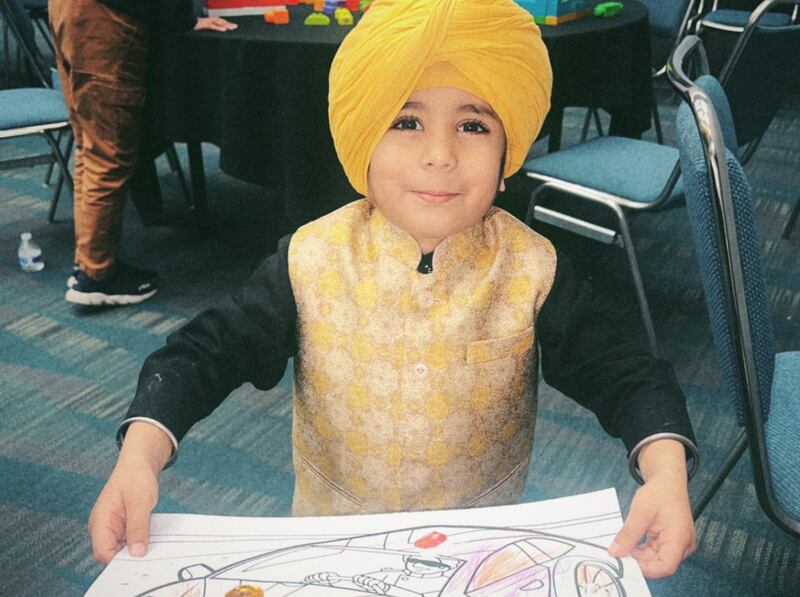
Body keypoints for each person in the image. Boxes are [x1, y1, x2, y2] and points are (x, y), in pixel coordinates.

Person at [88, 0, 699, 580]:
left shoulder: (532, 268)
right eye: (406, 121)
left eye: (473, 124)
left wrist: (665, 472)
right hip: (332, 549)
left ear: (507, 148)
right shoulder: (311, 257)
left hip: (475, 555)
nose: (440, 154)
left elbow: (627, 372)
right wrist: (140, 455)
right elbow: (203, 353)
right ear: (363, 138)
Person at [49, 0, 238, 306]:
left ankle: (89, 262)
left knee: (90, 144)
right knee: (107, 152)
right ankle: (96, 274)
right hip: (107, 18)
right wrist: (182, 18)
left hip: (70, 9)